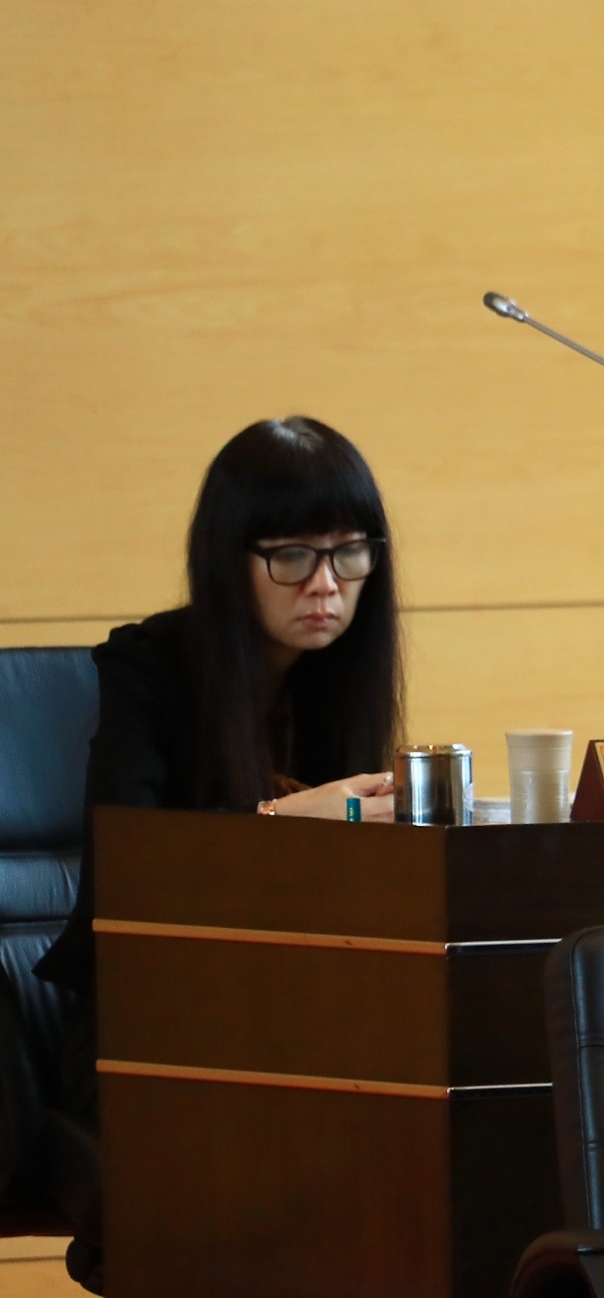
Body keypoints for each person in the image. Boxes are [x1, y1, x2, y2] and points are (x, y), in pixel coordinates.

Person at [36, 416, 404, 1124]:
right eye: (293, 556)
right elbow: (128, 862)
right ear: (228, 560)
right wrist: (285, 818)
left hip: (298, 1008)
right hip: (151, 1021)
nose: (325, 585)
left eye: (349, 553)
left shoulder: (342, 678)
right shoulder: (148, 668)